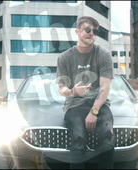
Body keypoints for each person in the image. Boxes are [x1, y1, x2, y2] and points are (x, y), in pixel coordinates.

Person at [56, 16, 114, 169]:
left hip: (99, 105)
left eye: (95, 31)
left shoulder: (103, 54)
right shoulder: (65, 57)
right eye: (88, 30)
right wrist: (73, 91)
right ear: (77, 31)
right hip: (74, 105)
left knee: (107, 138)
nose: (91, 33)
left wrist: (94, 112)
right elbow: (61, 88)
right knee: (78, 139)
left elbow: (105, 87)